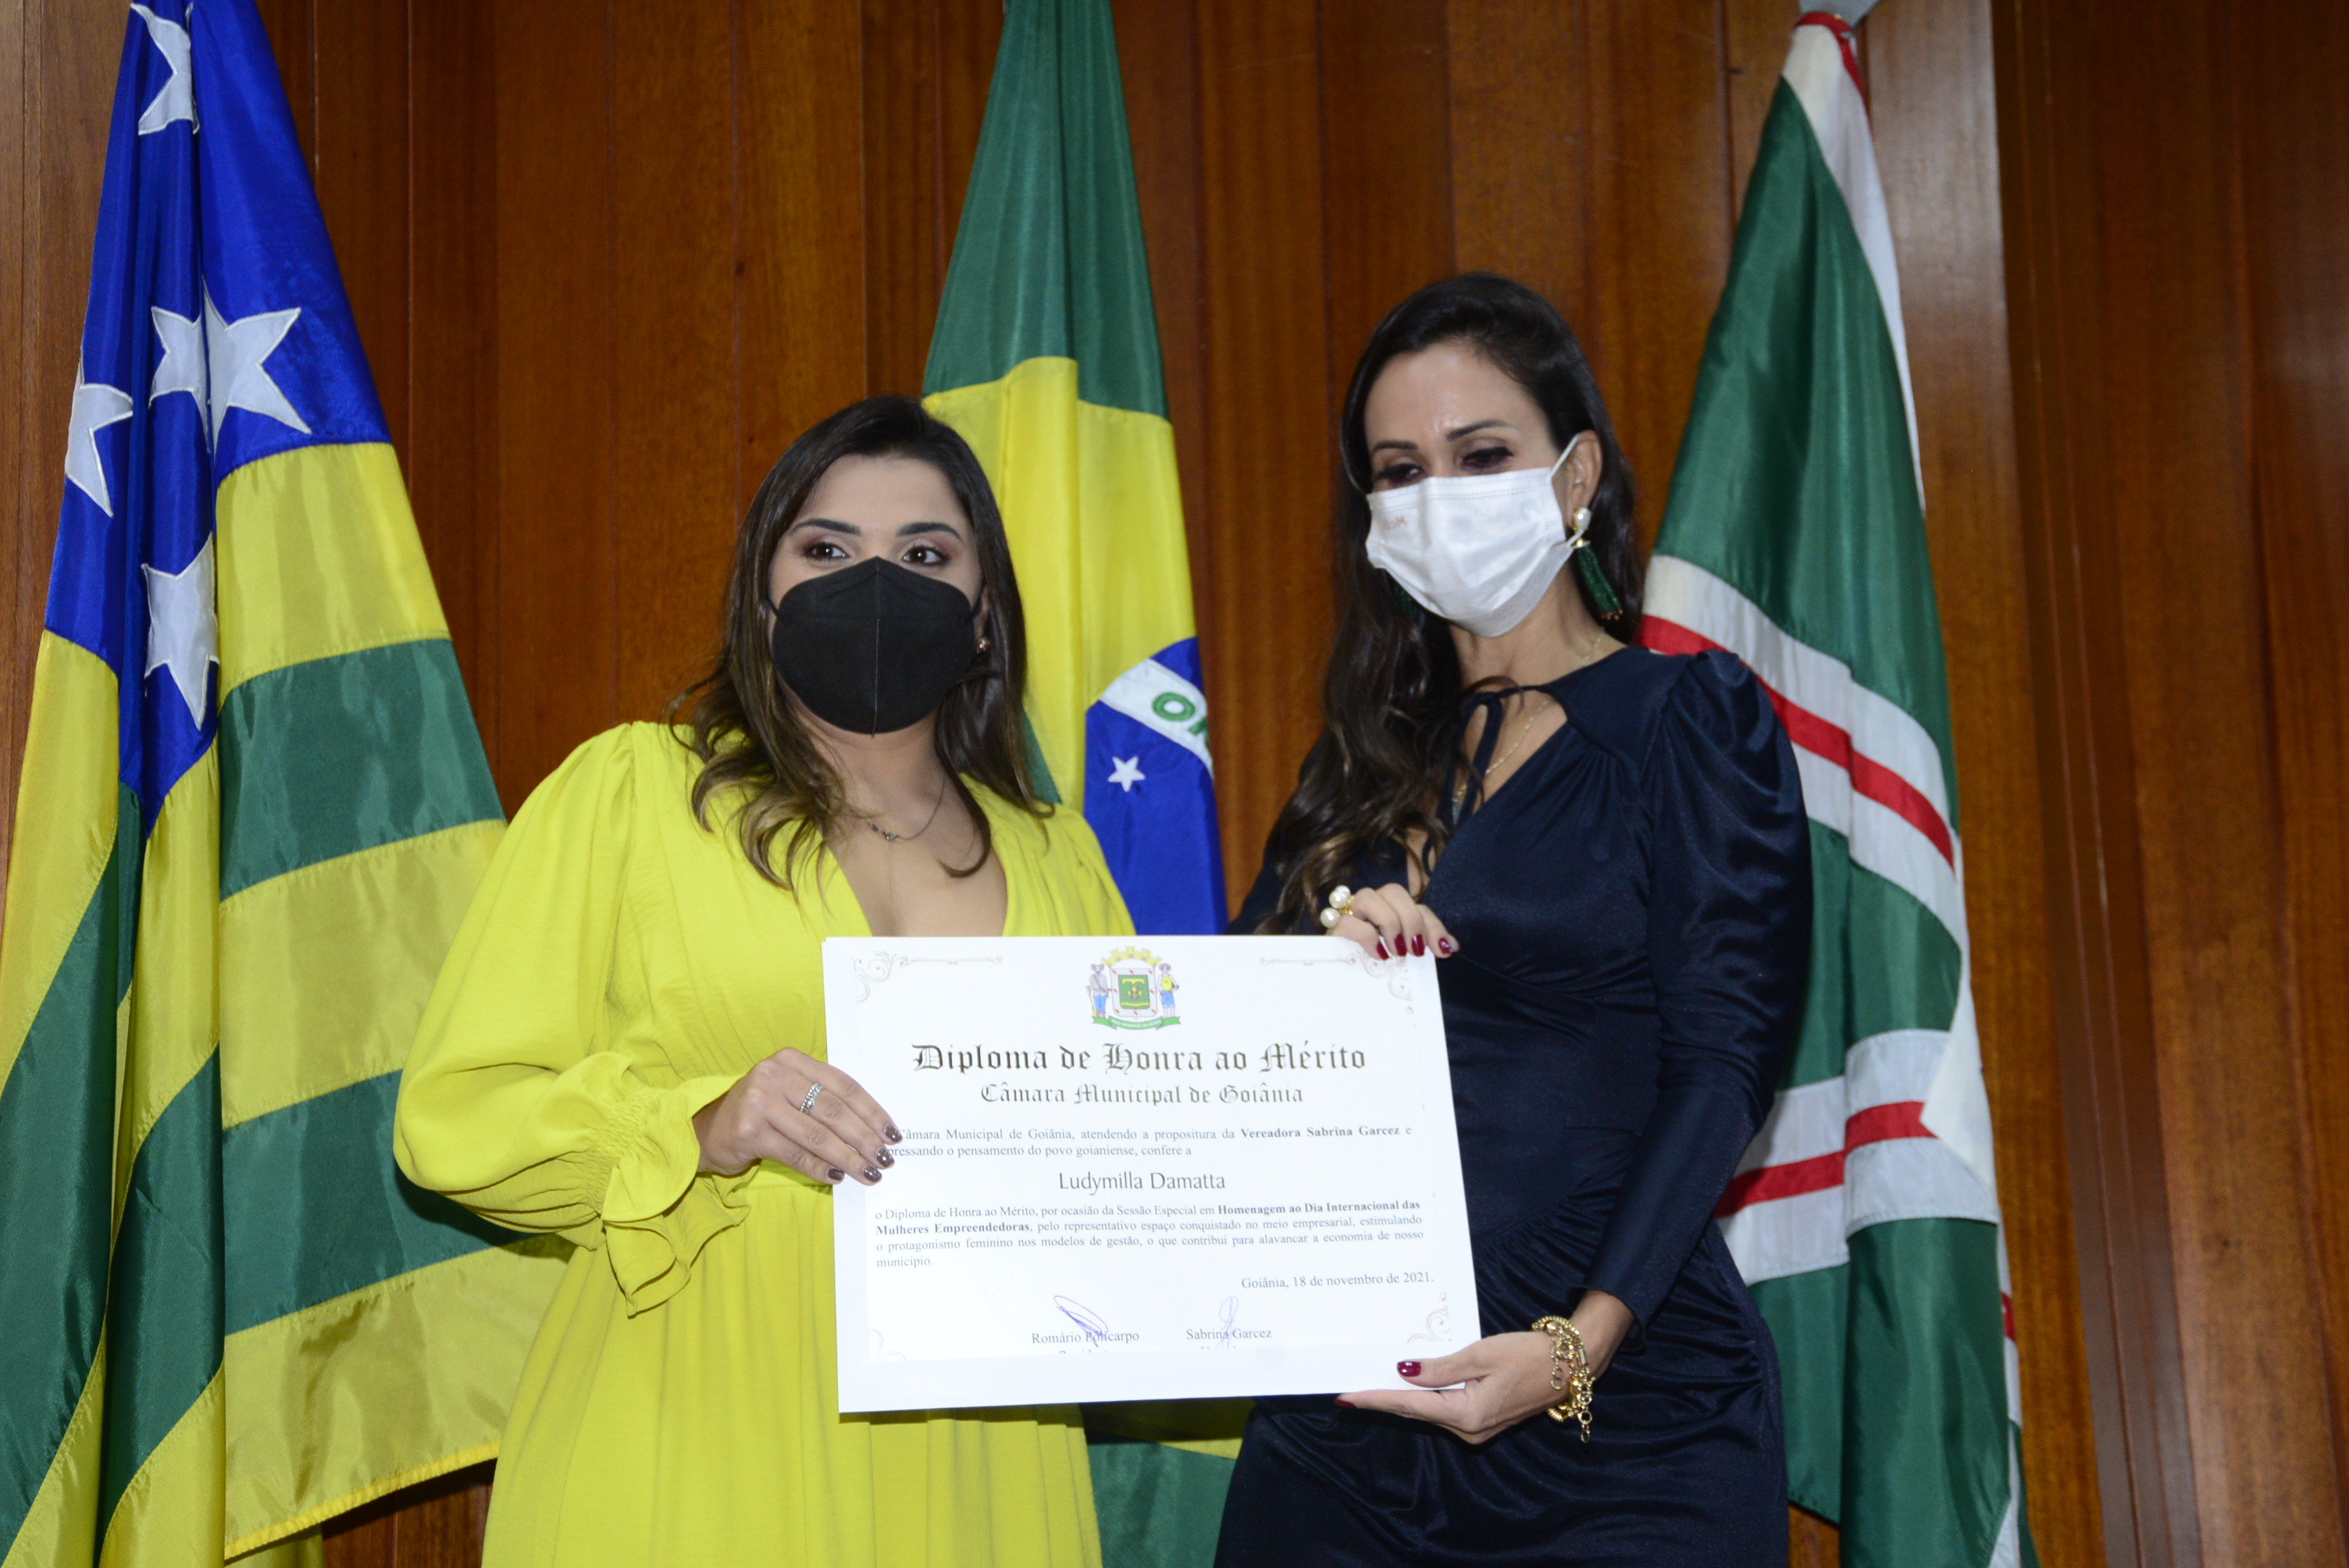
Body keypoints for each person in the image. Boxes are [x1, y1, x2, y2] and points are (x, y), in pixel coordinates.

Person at [395, 396, 1130, 1567]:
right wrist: (701, 1128)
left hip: (981, 1449)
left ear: (985, 613)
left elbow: (1141, 1142)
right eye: (827, 549)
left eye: (924, 556)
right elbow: (455, 1120)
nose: (873, 584)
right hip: (688, 1424)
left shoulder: (1061, 856)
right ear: (762, 594)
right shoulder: (631, 794)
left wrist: (1353, 985)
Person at [1215, 275, 1812, 1566]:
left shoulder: (1690, 719)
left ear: (1574, 472)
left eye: (1481, 455)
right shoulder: (1347, 776)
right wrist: (1321, 975)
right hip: (1346, 1417)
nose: (1438, 495)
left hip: (1625, 1415)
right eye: (1400, 471)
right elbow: (1226, 1065)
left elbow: (1726, 1063)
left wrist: (1578, 1344)